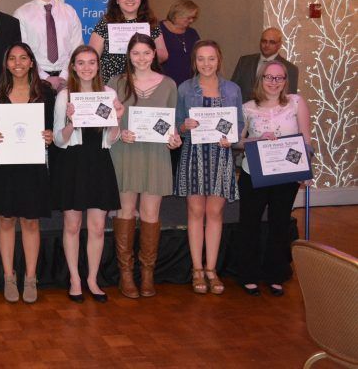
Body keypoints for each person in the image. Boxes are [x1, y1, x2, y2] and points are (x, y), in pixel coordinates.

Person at [108, 34, 182, 299]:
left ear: (154, 54)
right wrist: (119, 131)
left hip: (155, 154)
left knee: (151, 214)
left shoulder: (169, 85)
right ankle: (126, 273)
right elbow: (106, 121)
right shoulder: (115, 83)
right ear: (128, 55)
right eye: (136, 53)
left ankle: (147, 272)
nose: (141, 58)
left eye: (146, 53)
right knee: (125, 211)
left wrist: (175, 139)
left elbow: (172, 123)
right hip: (124, 152)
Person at [52, 45, 123, 303]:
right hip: (72, 165)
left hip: (99, 164)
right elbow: (59, 140)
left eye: (91, 62)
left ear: (97, 66)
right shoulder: (65, 96)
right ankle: (74, 279)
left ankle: (92, 279)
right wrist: (71, 123)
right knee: (72, 225)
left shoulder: (108, 93)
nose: (86, 67)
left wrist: (116, 119)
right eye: (80, 63)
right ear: (72, 66)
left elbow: (112, 139)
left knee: (96, 227)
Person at [236, 60, 313, 297]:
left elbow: (306, 140)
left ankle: (275, 274)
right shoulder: (248, 107)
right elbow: (237, 141)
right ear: (260, 80)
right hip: (253, 173)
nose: (274, 82)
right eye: (269, 77)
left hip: (286, 174)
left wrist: (307, 170)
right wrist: (255, 140)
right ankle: (248, 274)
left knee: (279, 224)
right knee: (249, 223)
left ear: (285, 81)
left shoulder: (296, 103)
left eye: (279, 78)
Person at [0, 42, 55, 304]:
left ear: (31, 63)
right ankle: (8, 276)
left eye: (23, 58)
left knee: (30, 221)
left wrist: (50, 135)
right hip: (3, 164)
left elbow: (53, 128)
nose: (17, 63)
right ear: (6, 63)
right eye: (12, 58)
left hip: (33, 164)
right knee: (6, 220)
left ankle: (30, 277)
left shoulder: (45, 93)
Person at [175, 40, 243, 295]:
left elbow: (237, 124)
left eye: (211, 58)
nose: (206, 64)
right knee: (195, 211)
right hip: (194, 154)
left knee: (215, 213)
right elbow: (176, 125)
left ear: (219, 60)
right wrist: (185, 126)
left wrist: (231, 139)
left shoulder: (233, 90)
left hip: (221, 154)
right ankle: (196, 269)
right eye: (201, 59)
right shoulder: (185, 89)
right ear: (195, 62)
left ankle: (211, 269)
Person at [14, 0, 84, 91]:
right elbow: (23, 52)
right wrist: (44, 78)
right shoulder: (21, 14)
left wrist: (64, 76)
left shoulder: (69, 11)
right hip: (35, 79)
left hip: (68, 80)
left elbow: (77, 48)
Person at [89, 0, 169, 83]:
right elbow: (92, 57)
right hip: (112, 84)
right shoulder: (105, 23)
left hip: (143, 83)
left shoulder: (151, 23)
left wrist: (142, 53)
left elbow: (163, 55)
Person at [230, 27, 299, 101]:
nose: (267, 45)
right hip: (243, 110)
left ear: (279, 44)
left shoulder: (290, 69)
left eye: (272, 42)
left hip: (273, 111)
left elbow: (289, 98)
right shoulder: (244, 62)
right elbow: (232, 88)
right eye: (264, 41)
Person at [159, 0, 201, 86]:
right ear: (177, 14)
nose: (191, 21)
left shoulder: (192, 33)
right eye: (189, 18)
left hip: (188, 84)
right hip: (164, 83)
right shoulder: (158, 29)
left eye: (193, 18)